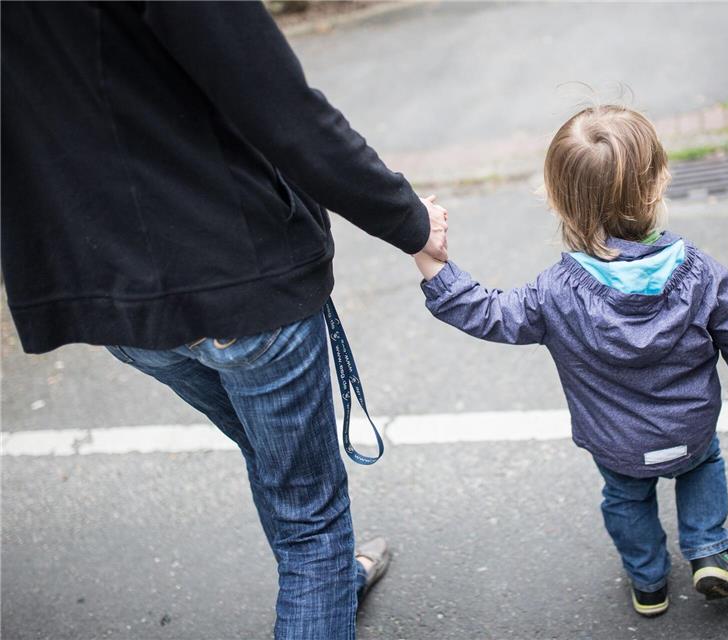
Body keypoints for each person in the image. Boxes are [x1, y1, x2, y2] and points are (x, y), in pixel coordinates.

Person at [1, 2, 447, 638]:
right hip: (237, 277)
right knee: (310, 526)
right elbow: (283, 108)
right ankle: (323, 583)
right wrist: (408, 219)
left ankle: (331, 582)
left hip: (114, 300)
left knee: (279, 466)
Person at [413, 105, 728, 617]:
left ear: (558, 202)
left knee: (626, 499)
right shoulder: (703, 274)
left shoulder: (554, 292)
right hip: (691, 429)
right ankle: (708, 548)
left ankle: (649, 583)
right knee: (704, 466)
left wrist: (428, 257)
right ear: (658, 185)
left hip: (616, 444)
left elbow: (488, 312)